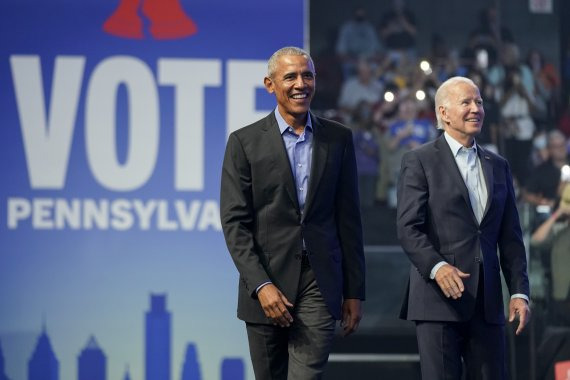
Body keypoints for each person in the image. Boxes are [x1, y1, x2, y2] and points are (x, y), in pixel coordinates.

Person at [220, 46, 365, 380]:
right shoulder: (244, 143)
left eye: (308, 75)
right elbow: (235, 225)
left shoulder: (338, 138)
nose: (301, 83)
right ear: (270, 85)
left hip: (321, 282)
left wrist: (355, 290)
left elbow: (349, 220)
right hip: (266, 286)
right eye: (291, 76)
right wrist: (261, 286)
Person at [397, 76, 531, 379]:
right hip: (436, 302)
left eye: (479, 102)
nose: (476, 109)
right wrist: (437, 267)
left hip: (487, 304)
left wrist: (520, 292)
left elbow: (510, 238)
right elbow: (408, 228)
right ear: (443, 113)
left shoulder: (498, 165)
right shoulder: (419, 161)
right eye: (466, 102)